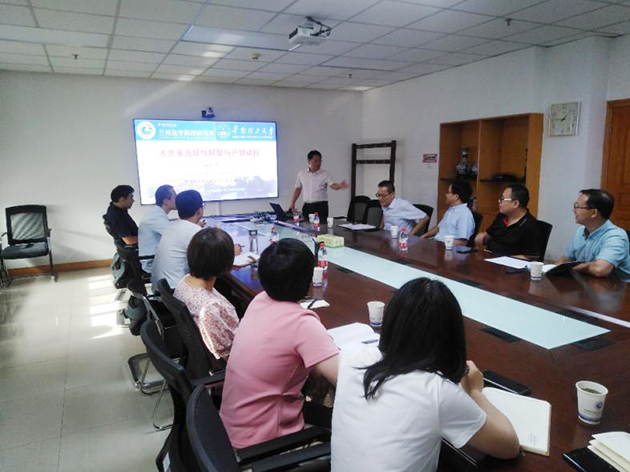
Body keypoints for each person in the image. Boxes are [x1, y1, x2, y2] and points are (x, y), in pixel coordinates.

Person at [331, 278, 520, 472]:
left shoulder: (350, 354)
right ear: (450, 337)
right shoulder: (437, 391)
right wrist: (475, 392)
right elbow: (509, 446)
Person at [220, 238, 339, 449]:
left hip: (231, 428)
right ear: (309, 280)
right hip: (262, 441)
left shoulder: (259, 300)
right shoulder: (301, 324)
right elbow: (346, 379)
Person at [174, 228, 239, 360]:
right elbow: (231, 357)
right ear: (226, 263)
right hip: (236, 360)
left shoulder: (184, 281)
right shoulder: (211, 308)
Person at [555, 189, 630, 280]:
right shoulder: (581, 231)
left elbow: (600, 270)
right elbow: (565, 259)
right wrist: (548, 270)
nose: (574, 210)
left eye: (578, 207)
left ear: (594, 213)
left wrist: (574, 267)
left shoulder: (615, 236)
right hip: (589, 283)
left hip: (619, 286)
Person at [151, 190, 206, 291]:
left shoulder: (171, 226)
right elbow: (213, 256)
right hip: (175, 291)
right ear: (199, 210)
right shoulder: (194, 231)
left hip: (162, 289)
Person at [474, 184, 543, 259]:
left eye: (502, 199)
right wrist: (482, 237)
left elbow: (530, 256)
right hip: (490, 258)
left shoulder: (530, 225)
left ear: (515, 203)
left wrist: (505, 259)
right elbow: (490, 234)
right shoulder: (501, 216)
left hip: (509, 264)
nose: (499, 201)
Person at [289, 150, 349, 221]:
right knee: (306, 225)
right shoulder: (302, 174)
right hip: (307, 206)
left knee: (321, 226)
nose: (318, 163)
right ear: (309, 161)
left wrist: (339, 186)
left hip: (321, 207)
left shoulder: (325, 174)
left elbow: (332, 185)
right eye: (316, 161)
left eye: (320, 161)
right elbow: (298, 189)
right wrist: (292, 203)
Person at [138, 185, 177, 272]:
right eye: (175, 197)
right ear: (166, 201)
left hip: (156, 258)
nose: (178, 200)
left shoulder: (156, 213)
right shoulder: (155, 217)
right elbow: (175, 235)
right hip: (153, 262)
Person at [423, 180, 475, 245]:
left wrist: (442, 244)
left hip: (447, 247)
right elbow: (438, 228)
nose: (445, 195)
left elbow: (462, 242)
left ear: (456, 196)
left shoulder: (464, 215)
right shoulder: (451, 210)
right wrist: (422, 237)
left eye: (448, 192)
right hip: (437, 243)